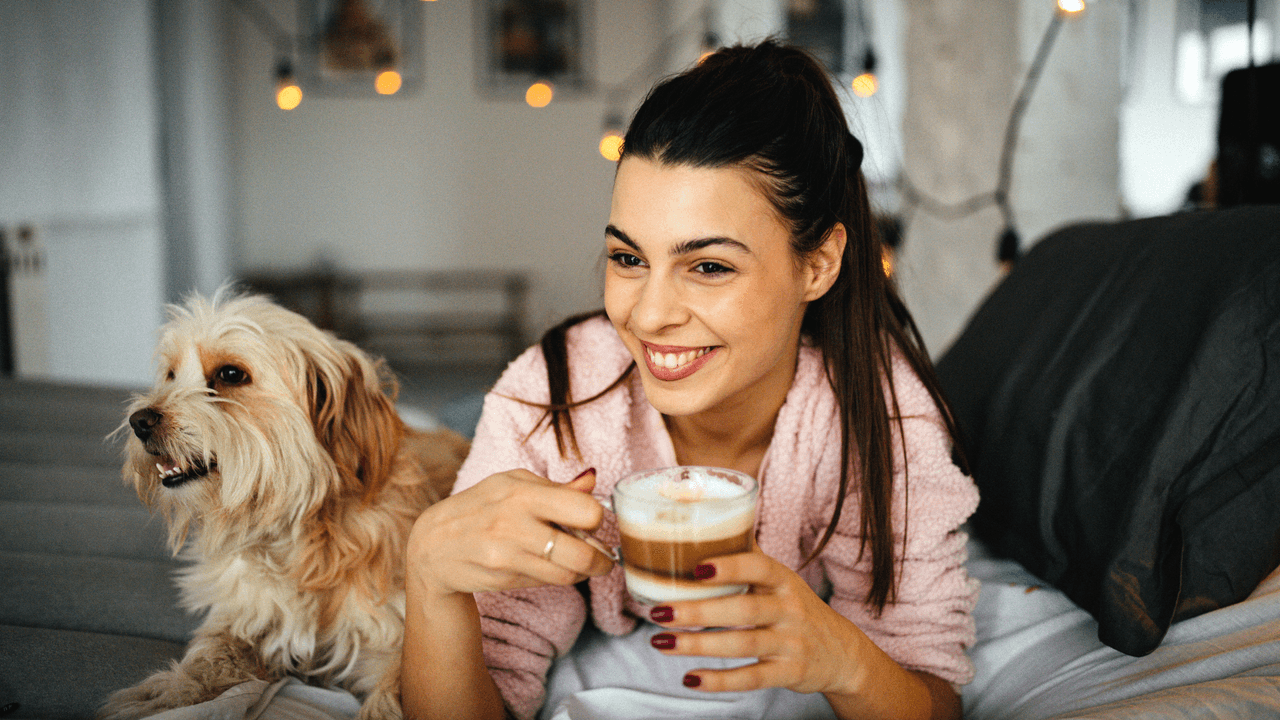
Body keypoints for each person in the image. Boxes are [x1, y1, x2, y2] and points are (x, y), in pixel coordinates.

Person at [401, 40, 979, 720]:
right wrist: (429, 576)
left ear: (817, 264)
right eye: (627, 257)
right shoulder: (554, 396)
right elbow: (487, 688)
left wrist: (844, 661)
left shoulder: (883, 420)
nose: (647, 315)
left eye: (708, 266)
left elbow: (930, 692)